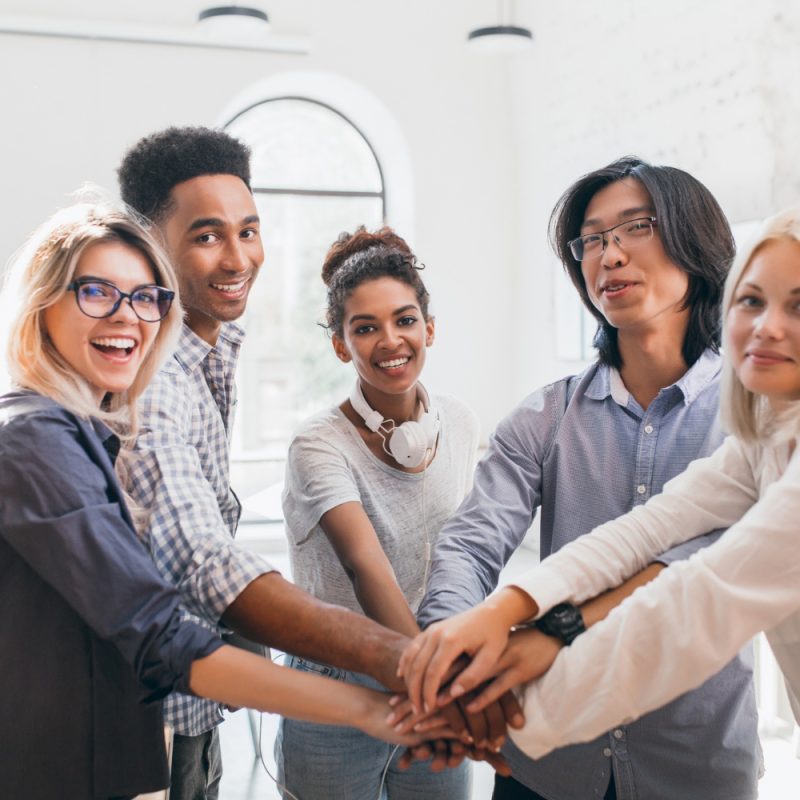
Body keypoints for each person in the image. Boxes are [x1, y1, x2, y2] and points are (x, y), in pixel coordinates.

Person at [117, 127, 518, 798]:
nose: (238, 256)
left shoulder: (209, 358)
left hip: (208, 699)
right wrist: (418, 670)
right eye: (207, 235)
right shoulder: (157, 383)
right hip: (171, 705)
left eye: (249, 230)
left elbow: (465, 553)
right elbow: (205, 561)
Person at [0, 203, 436, 800]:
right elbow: (160, 633)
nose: (128, 317)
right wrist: (374, 707)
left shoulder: (85, 436)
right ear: (43, 303)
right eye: (97, 292)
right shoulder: (34, 439)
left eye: (145, 297)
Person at [404, 157, 761, 800]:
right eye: (592, 240)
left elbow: (705, 565)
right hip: (548, 761)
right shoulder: (545, 416)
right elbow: (470, 543)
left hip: (691, 763)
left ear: (696, 244)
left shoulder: (753, 418)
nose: (610, 254)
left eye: (635, 228)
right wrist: (453, 658)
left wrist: (552, 633)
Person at [277, 228, 479, 799]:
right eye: (365, 328)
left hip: (429, 671)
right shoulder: (317, 445)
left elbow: (458, 554)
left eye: (405, 319)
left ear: (429, 329)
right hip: (337, 691)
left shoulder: (460, 424)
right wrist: (432, 689)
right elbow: (367, 567)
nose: (390, 340)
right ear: (341, 345)